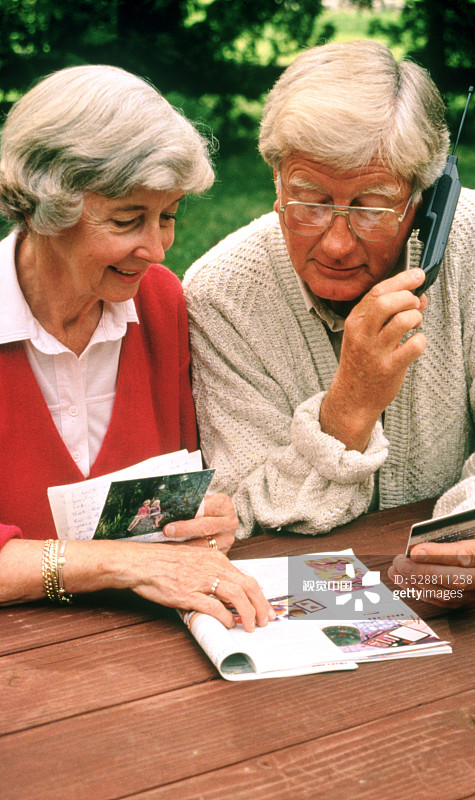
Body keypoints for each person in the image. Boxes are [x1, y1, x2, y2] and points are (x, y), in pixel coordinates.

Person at [183, 40, 475, 608]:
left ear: (424, 196)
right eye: (308, 200)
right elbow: (245, 504)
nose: (336, 242)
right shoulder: (220, 293)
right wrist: (350, 406)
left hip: (463, 611)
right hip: (290, 612)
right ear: (274, 181)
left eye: (371, 206)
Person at [0, 64, 273, 632]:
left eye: (168, 216)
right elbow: (134, 559)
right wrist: (122, 564)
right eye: (128, 221)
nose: (157, 249)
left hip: (141, 648)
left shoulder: (159, 304)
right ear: (47, 209)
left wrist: (204, 517)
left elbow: (172, 490)